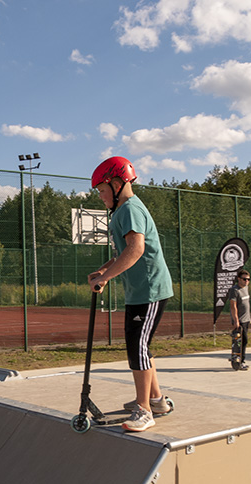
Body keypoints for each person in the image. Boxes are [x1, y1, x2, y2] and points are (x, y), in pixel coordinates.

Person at [88, 156, 174, 432]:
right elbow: (124, 253)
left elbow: (136, 249)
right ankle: (156, 399)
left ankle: (144, 410)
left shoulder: (129, 209)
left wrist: (106, 278)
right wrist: (103, 271)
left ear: (116, 183)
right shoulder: (123, 211)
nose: (101, 197)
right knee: (141, 347)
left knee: (137, 349)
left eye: (102, 191)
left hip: (150, 290)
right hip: (141, 291)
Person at [228, 269, 251, 371]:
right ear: (239, 279)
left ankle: (239, 359)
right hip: (240, 321)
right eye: (244, 279)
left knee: (244, 341)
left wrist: (249, 318)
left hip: (246, 320)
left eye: (248, 279)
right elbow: (233, 306)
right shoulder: (234, 290)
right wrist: (236, 320)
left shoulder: (246, 288)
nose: (246, 281)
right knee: (241, 341)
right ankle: (240, 361)